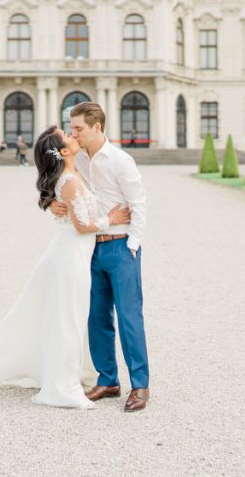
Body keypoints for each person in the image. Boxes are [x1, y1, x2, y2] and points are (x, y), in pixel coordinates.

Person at [0, 126, 131, 409]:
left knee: (68, 316)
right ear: (64, 151)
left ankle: (70, 372)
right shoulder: (70, 180)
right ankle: (62, 384)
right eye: (67, 134)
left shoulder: (74, 171)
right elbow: (82, 226)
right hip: (71, 255)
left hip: (72, 253)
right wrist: (111, 219)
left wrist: (52, 200)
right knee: (68, 318)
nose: (73, 133)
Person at [50, 101, 150, 412]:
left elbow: (139, 204)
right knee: (97, 316)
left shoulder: (120, 160)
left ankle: (141, 386)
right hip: (91, 247)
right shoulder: (76, 160)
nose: (73, 133)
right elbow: (59, 186)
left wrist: (132, 245)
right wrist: (51, 203)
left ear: (97, 127)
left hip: (121, 247)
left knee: (129, 317)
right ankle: (108, 379)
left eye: (78, 128)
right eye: (71, 128)